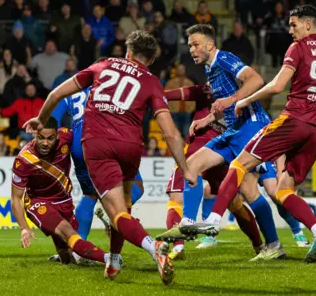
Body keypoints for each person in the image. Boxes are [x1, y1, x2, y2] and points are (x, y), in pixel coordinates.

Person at [185, 5, 316, 263]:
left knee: (239, 165)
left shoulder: (299, 48)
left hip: (294, 120)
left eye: (293, 24)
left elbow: (276, 86)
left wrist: (243, 100)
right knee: (284, 191)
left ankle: (213, 222)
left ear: (308, 24)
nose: (290, 30)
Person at [24, 30, 191, 285]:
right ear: (151, 59)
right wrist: (186, 169)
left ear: (128, 51)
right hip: (131, 146)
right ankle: (113, 262)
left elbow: (56, 94)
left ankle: (153, 246)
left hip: (98, 143)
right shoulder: (152, 81)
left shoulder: (103, 65)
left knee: (115, 212)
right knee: (123, 207)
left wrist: (41, 119)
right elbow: (170, 132)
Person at [156, 24, 286, 261]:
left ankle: (273, 243)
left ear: (209, 44)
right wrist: (207, 118)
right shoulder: (210, 70)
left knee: (247, 188)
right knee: (192, 165)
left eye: (196, 44)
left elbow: (255, 80)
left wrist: (233, 98)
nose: (192, 49)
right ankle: (187, 222)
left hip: (253, 125)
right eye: (190, 45)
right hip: (235, 129)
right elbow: (222, 107)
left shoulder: (224, 58)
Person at [161, 84, 263, 259]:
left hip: (203, 152)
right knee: (235, 203)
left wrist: (147, 93)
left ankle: (178, 248)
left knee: (177, 198)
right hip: (220, 152)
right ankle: (260, 246)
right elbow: (174, 94)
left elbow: (170, 94)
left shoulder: (209, 89)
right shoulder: (235, 94)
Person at [51, 83, 145, 243]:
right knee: (136, 185)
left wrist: (56, 142)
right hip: (108, 139)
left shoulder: (70, 90)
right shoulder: (112, 88)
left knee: (90, 194)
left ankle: (78, 246)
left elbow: (53, 117)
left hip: (78, 144)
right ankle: (114, 214)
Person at [11, 117, 111, 265]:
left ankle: (70, 257)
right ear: (35, 135)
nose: (45, 143)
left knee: (69, 256)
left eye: (50, 138)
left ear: (57, 136)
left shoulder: (66, 137)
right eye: (41, 138)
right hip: (39, 203)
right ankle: (110, 258)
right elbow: (15, 199)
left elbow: (88, 139)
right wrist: (24, 228)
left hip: (64, 200)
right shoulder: (24, 160)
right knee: (68, 232)